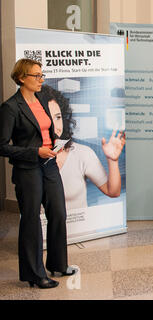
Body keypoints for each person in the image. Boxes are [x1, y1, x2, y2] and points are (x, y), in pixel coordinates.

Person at [0, 59, 76, 289]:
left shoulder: (42, 99)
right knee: (31, 220)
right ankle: (34, 274)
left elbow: (47, 130)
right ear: (22, 78)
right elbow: (2, 145)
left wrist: (55, 144)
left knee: (59, 213)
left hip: (49, 165)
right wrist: (35, 152)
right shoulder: (11, 107)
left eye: (42, 75)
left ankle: (58, 264)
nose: (41, 80)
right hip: (28, 168)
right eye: (37, 76)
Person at [40, 85, 125, 211]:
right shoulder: (27, 157)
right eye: (46, 119)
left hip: (80, 227)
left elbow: (113, 192)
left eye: (58, 117)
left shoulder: (81, 153)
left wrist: (113, 161)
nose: (55, 126)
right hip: (43, 229)